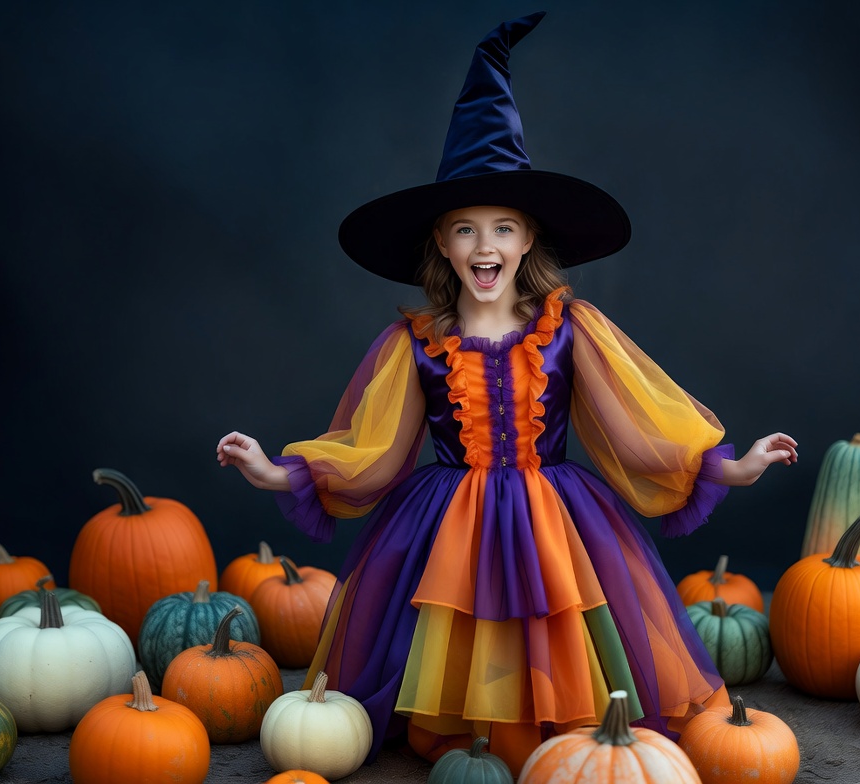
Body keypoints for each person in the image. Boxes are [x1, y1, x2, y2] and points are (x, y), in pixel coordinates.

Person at [217, 12, 797, 776]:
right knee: (463, 626)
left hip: (555, 515)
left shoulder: (571, 330)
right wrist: (278, 471)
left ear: (528, 242)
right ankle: (472, 739)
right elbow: (374, 448)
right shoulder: (413, 344)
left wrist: (731, 466)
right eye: (463, 230)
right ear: (442, 246)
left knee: (549, 619)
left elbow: (638, 428)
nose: (483, 247)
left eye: (501, 229)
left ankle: (553, 731)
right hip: (445, 518)